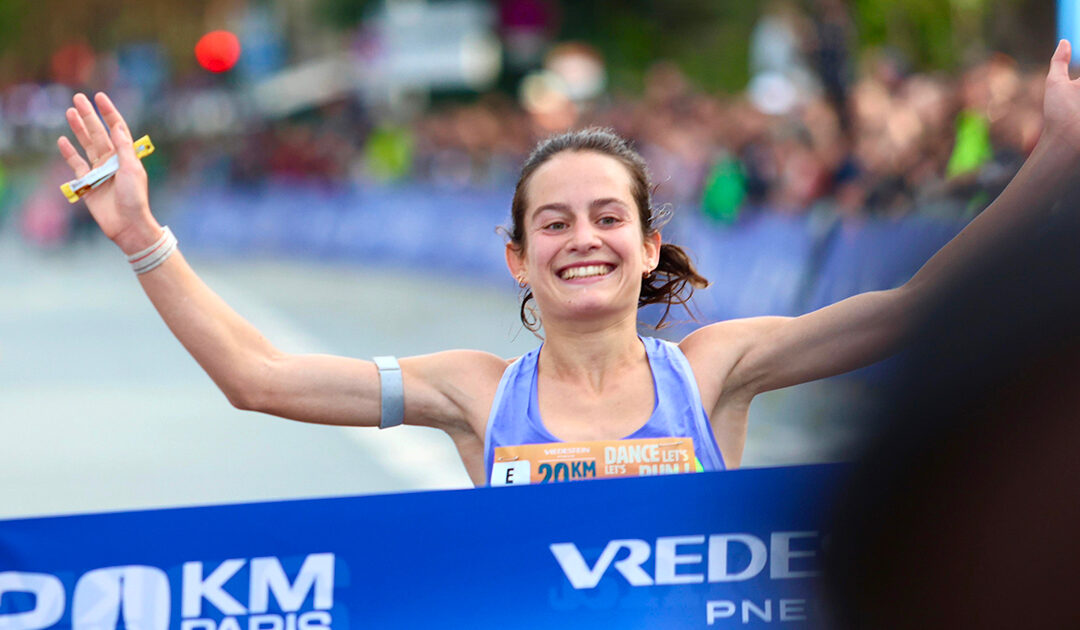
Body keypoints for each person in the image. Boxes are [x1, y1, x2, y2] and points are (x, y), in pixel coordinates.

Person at [57, 42, 1080, 487]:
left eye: (605, 218)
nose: (581, 237)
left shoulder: (715, 371)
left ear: (646, 247)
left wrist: (1050, 164)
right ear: (517, 258)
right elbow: (258, 380)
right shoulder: (473, 395)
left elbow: (915, 308)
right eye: (553, 224)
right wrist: (144, 237)